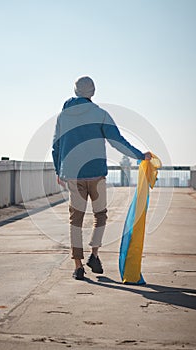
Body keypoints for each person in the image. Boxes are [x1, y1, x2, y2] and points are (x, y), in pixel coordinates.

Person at [52, 76, 151, 280]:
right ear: (93, 92)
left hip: (72, 174)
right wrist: (141, 155)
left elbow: (56, 146)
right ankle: (94, 254)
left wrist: (58, 171)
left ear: (75, 91)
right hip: (96, 173)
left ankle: (78, 266)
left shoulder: (63, 116)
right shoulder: (100, 114)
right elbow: (117, 142)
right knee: (100, 215)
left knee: (75, 220)